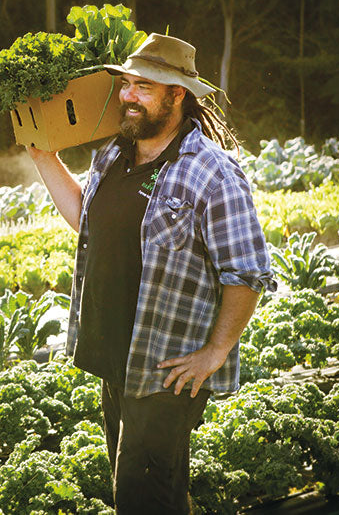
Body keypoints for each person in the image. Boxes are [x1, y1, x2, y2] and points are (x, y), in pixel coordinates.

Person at [27, 33, 275, 514]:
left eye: (143, 87)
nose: (127, 96)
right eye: (126, 84)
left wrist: (215, 352)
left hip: (165, 370)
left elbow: (247, 272)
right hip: (119, 358)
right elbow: (87, 218)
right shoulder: (117, 154)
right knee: (141, 494)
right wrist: (44, 158)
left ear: (177, 95)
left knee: (145, 500)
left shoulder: (211, 172)